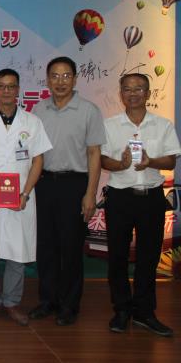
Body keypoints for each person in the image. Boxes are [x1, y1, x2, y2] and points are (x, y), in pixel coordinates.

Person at [0, 68, 51, 326]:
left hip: (20, 199)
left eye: (11, 86)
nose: (6, 91)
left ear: (18, 90)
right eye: (1, 86)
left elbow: (38, 160)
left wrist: (25, 193)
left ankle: (12, 302)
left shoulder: (32, 122)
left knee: (17, 251)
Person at [100, 73, 179, 337]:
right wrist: (121, 164)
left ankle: (145, 312)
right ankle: (122, 310)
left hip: (151, 197)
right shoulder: (110, 125)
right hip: (120, 198)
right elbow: (103, 160)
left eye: (138, 89)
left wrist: (150, 162)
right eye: (127, 89)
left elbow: (171, 161)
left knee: (149, 256)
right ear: (121, 93)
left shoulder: (163, 125)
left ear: (148, 93)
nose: (132, 94)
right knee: (118, 256)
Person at [30, 57, 105, 326]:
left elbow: (94, 154)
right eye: (55, 76)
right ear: (47, 80)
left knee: (71, 248)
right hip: (44, 184)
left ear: (75, 79)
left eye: (66, 76)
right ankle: (47, 300)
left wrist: (90, 193)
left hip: (75, 185)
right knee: (46, 246)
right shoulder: (38, 110)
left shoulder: (89, 110)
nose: (60, 82)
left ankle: (69, 305)